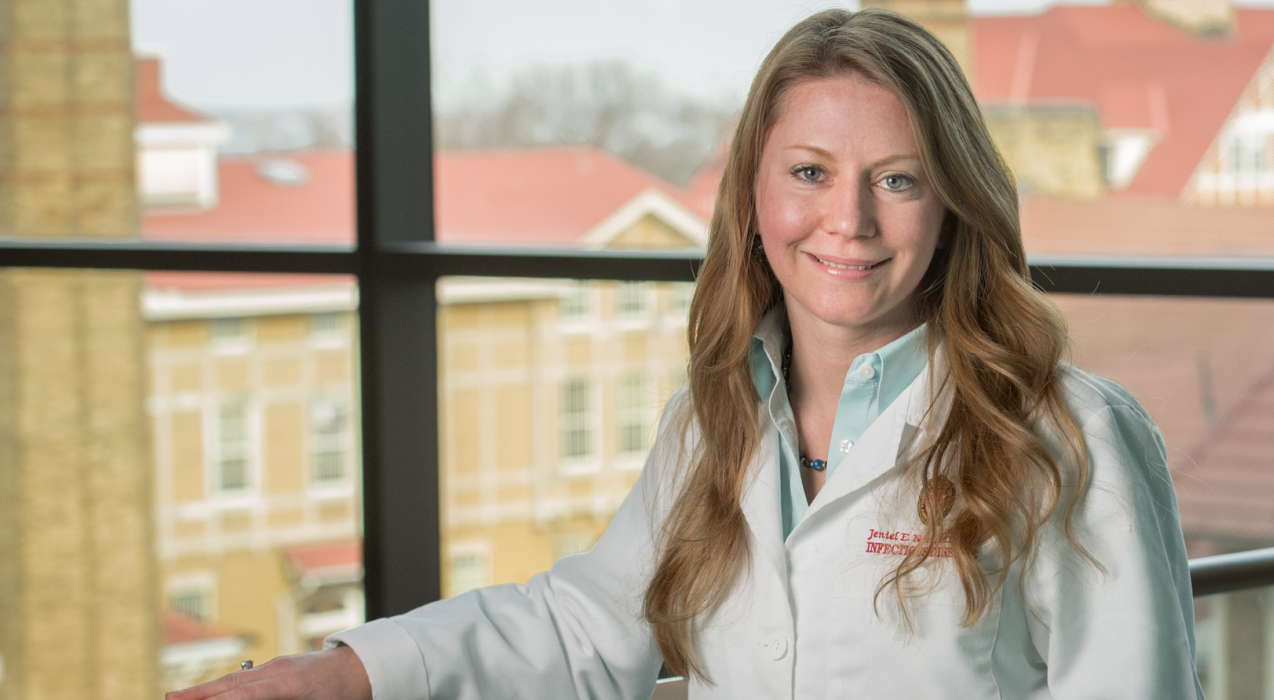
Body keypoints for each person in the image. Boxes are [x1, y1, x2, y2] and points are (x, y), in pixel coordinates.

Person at [168, 9, 1199, 699]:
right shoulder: (719, 415)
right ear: (753, 196)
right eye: (809, 170)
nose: (847, 220)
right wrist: (342, 676)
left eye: (898, 178)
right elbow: (586, 625)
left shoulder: (1072, 437)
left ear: (954, 205)